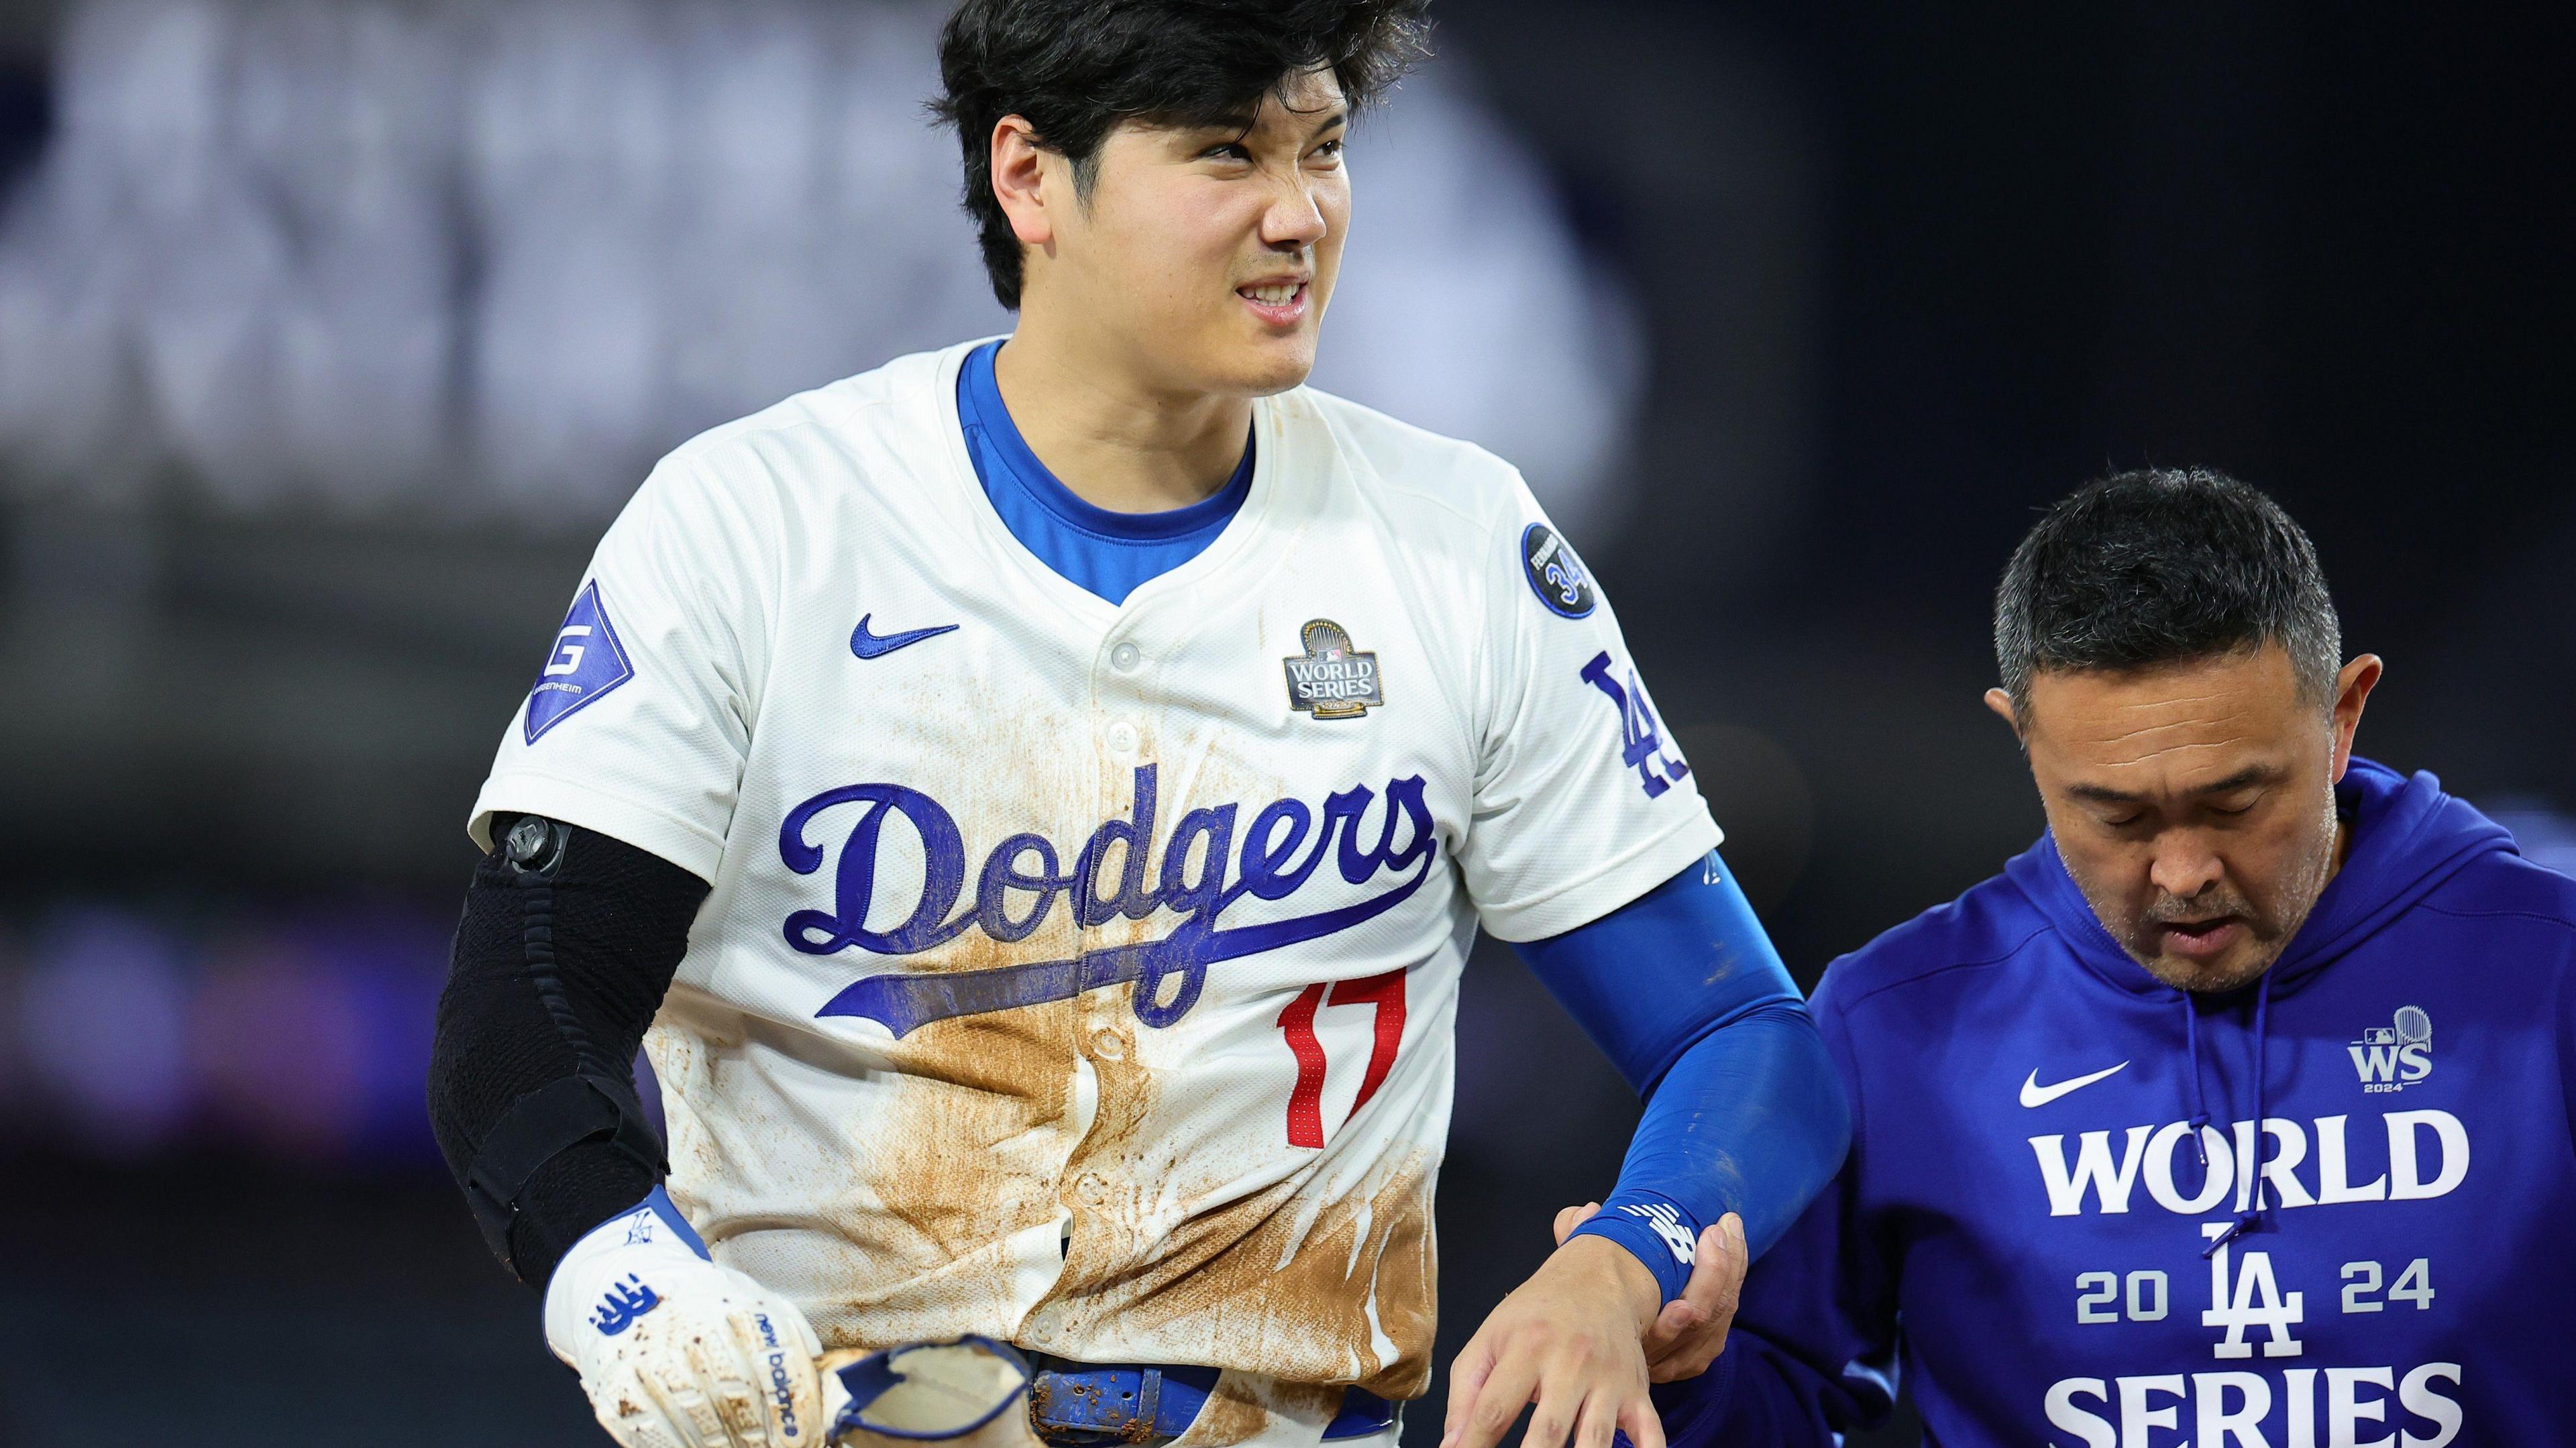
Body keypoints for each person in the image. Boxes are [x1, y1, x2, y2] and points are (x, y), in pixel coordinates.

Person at [423, 5, 1851, 1448]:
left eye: (1325, 148)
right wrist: (621, 1277)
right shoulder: (756, 527)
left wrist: (1623, 1260)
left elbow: (1745, 1033)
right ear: (1032, 177)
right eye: (1227, 153)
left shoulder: (1456, 547)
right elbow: (523, 1013)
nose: (1299, 215)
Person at [1611, 468, 2576, 1447]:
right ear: (2022, 740)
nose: (2186, 871)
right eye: (2118, 816)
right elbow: (1774, 1405)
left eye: (2235, 804)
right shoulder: (1893, 1025)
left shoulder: (2554, 979)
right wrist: (1678, 1378)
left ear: (2343, 717)